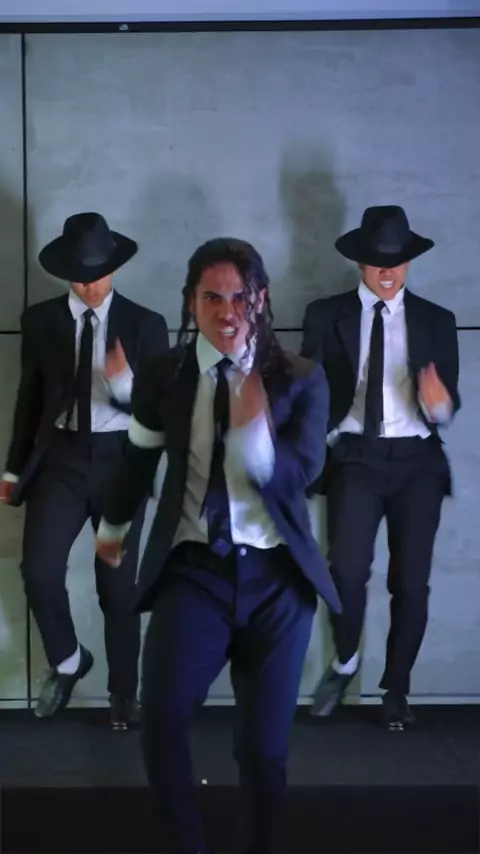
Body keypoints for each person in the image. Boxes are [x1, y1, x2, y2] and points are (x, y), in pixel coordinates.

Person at [95, 237, 340, 854]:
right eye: (212, 298)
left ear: (260, 300)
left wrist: (255, 439)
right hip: (194, 571)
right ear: (190, 301)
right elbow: (138, 457)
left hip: (278, 582)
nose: (227, 311)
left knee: (262, 750)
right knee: (162, 718)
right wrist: (113, 529)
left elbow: (306, 474)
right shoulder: (163, 375)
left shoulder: (302, 379)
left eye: (240, 297)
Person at [0, 212, 169, 729]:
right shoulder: (41, 321)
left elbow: (162, 411)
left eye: (98, 274)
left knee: (117, 588)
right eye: (79, 277)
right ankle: (69, 660)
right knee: (39, 571)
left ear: (113, 267)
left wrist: (124, 386)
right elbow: (29, 399)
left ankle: (124, 694)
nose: (90, 286)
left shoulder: (146, 325)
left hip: (122, 465)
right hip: (62, 460)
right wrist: (13, 470)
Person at [300, 205, 460, 731]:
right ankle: (345, 661)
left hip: (417, 463)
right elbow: (307, 391)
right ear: (360, 262)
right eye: (376, 260)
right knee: (346, 571)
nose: (387, 270)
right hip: (356, 457)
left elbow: (448, 406)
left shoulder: (437, 320)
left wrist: (438, 403)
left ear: (409, 262)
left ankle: (396, 688)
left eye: (397, 260)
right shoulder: (325, 315)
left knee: (410, 583)